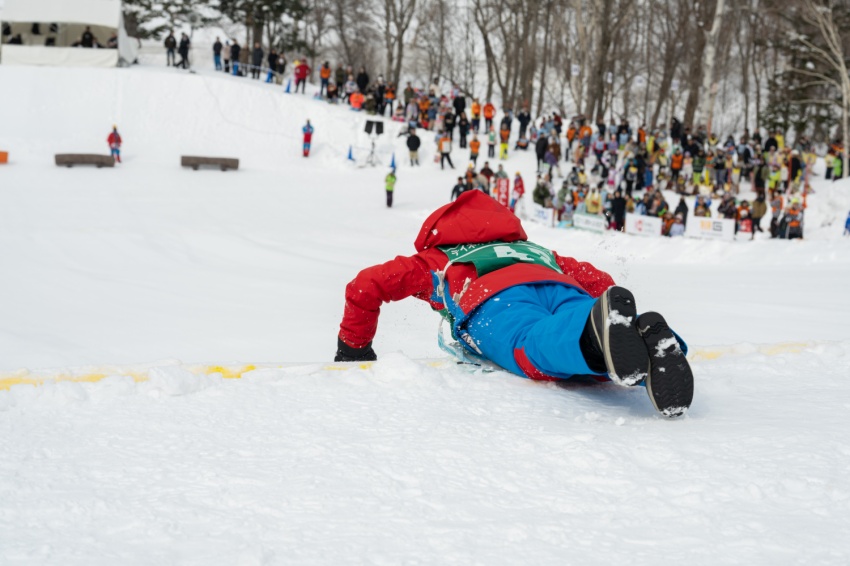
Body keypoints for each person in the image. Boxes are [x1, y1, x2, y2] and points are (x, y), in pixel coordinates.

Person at [333, 191, 693, 417]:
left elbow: (366, 285)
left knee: (529, 343)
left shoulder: (439, 258)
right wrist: (604, 301)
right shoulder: (534, 249)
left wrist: (353, 350)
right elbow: (596, 280)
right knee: (580, 322)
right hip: (561, 285)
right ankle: (644, 340)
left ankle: (596, 334)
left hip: (494, 298)